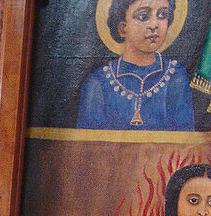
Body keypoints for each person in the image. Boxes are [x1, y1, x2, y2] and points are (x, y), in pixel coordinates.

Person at [76, 0, 194, 131]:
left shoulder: (176, 76)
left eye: (162, 15)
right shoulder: (98, 82)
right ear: (122, 28)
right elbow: (88, 145)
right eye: (143, 16)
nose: (154, 25)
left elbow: (183, 142)